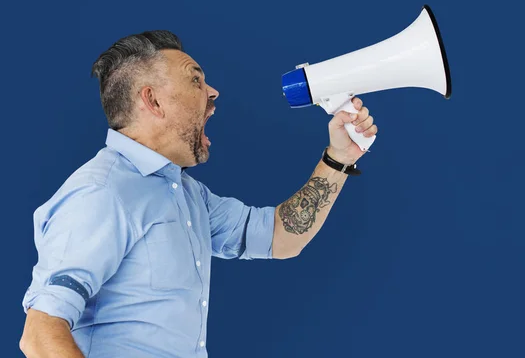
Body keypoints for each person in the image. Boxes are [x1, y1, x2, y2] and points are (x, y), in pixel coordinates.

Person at [19, 30, 378, 358]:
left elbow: (281, 237)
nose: (212, 92)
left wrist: (338, 158)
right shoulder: (101, 193)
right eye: (195, 80)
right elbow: (40, 334)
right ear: (153, 101)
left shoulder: (187, 195)